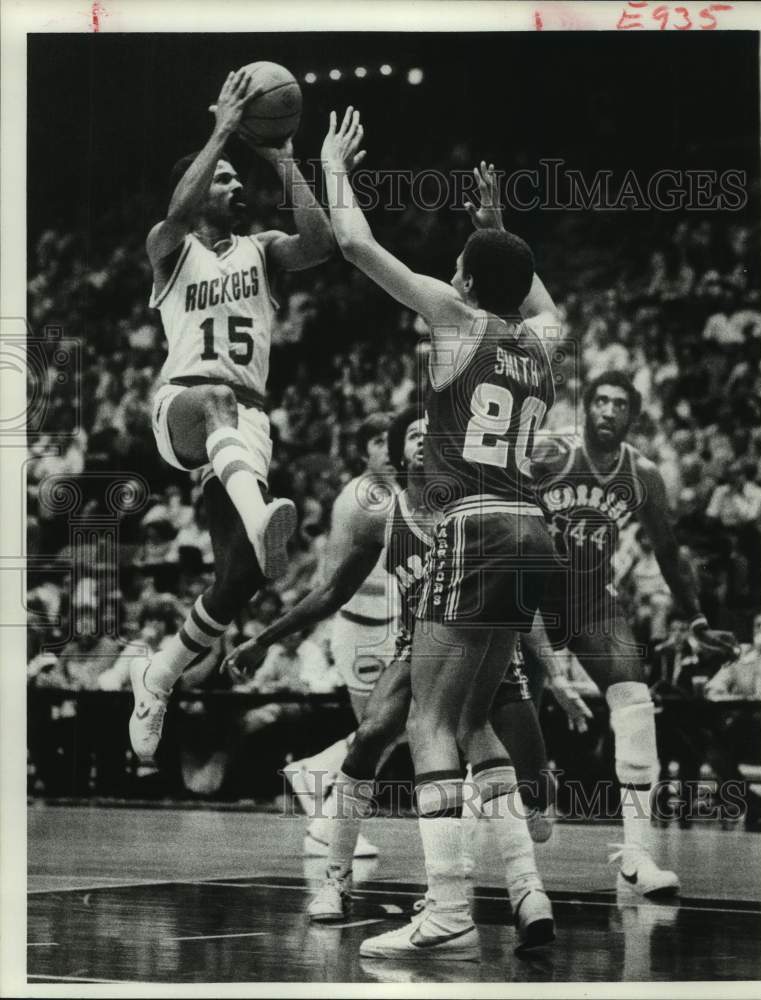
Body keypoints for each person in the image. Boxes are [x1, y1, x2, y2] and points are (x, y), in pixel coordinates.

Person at [321, 112, 560, 960]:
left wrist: (331, 165)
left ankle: (449, 907)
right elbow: (535, 288)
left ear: (462, 274)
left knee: (429, 720)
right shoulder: (544, 342)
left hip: (473, 525)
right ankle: (527, 892)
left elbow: (354, 246)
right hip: (534, 533)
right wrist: (495, 229)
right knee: (475, 720)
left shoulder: (456, 317)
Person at [226, 408, 588, 925]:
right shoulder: (382, 515)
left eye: (433, 432)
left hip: (491, 651)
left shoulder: (472, 510)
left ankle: (519, 879)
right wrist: (263, 639)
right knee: (371, 735)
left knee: (537, 799)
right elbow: (330, 591)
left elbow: (520, 605)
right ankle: (337, 879)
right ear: (399, 454)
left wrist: (552, 672)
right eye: (414, 435)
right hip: (420, 648)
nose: (425, 440)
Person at [129, 67, 344, 763]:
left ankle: (158, 678)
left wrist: (285, 161)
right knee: (220, 409)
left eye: (234, 177)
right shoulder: (171, 250)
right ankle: (260, 514)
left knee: (245, 576)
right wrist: (222, 129)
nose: (235, 185)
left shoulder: (261, 251)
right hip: (185, 406)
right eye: (222, 179)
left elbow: (320, 244)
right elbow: (177, 211)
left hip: (247, 425)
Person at [532, 369, 739, 894]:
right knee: (503, 726)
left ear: (633, 416)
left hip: (590, 602)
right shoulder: (548, 454)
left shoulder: (642, 475)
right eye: (599, 400)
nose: (606, 411)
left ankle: (636, 856)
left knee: (636, 703)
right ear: (585, 408)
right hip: (526, 599)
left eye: (619, 404)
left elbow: (668, 553)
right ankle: (477, 847)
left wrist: (694, 621)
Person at [281, 413, 399, 859]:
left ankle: (318, 781)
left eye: (394, 441)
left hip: (385, 630)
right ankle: (327, 820)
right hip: (360, 630)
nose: (388, 450)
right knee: (381, 731)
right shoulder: (359, 497)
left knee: (391, 729)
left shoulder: (399, 493)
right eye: (378, 441)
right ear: (363, 449)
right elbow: (332, 577)